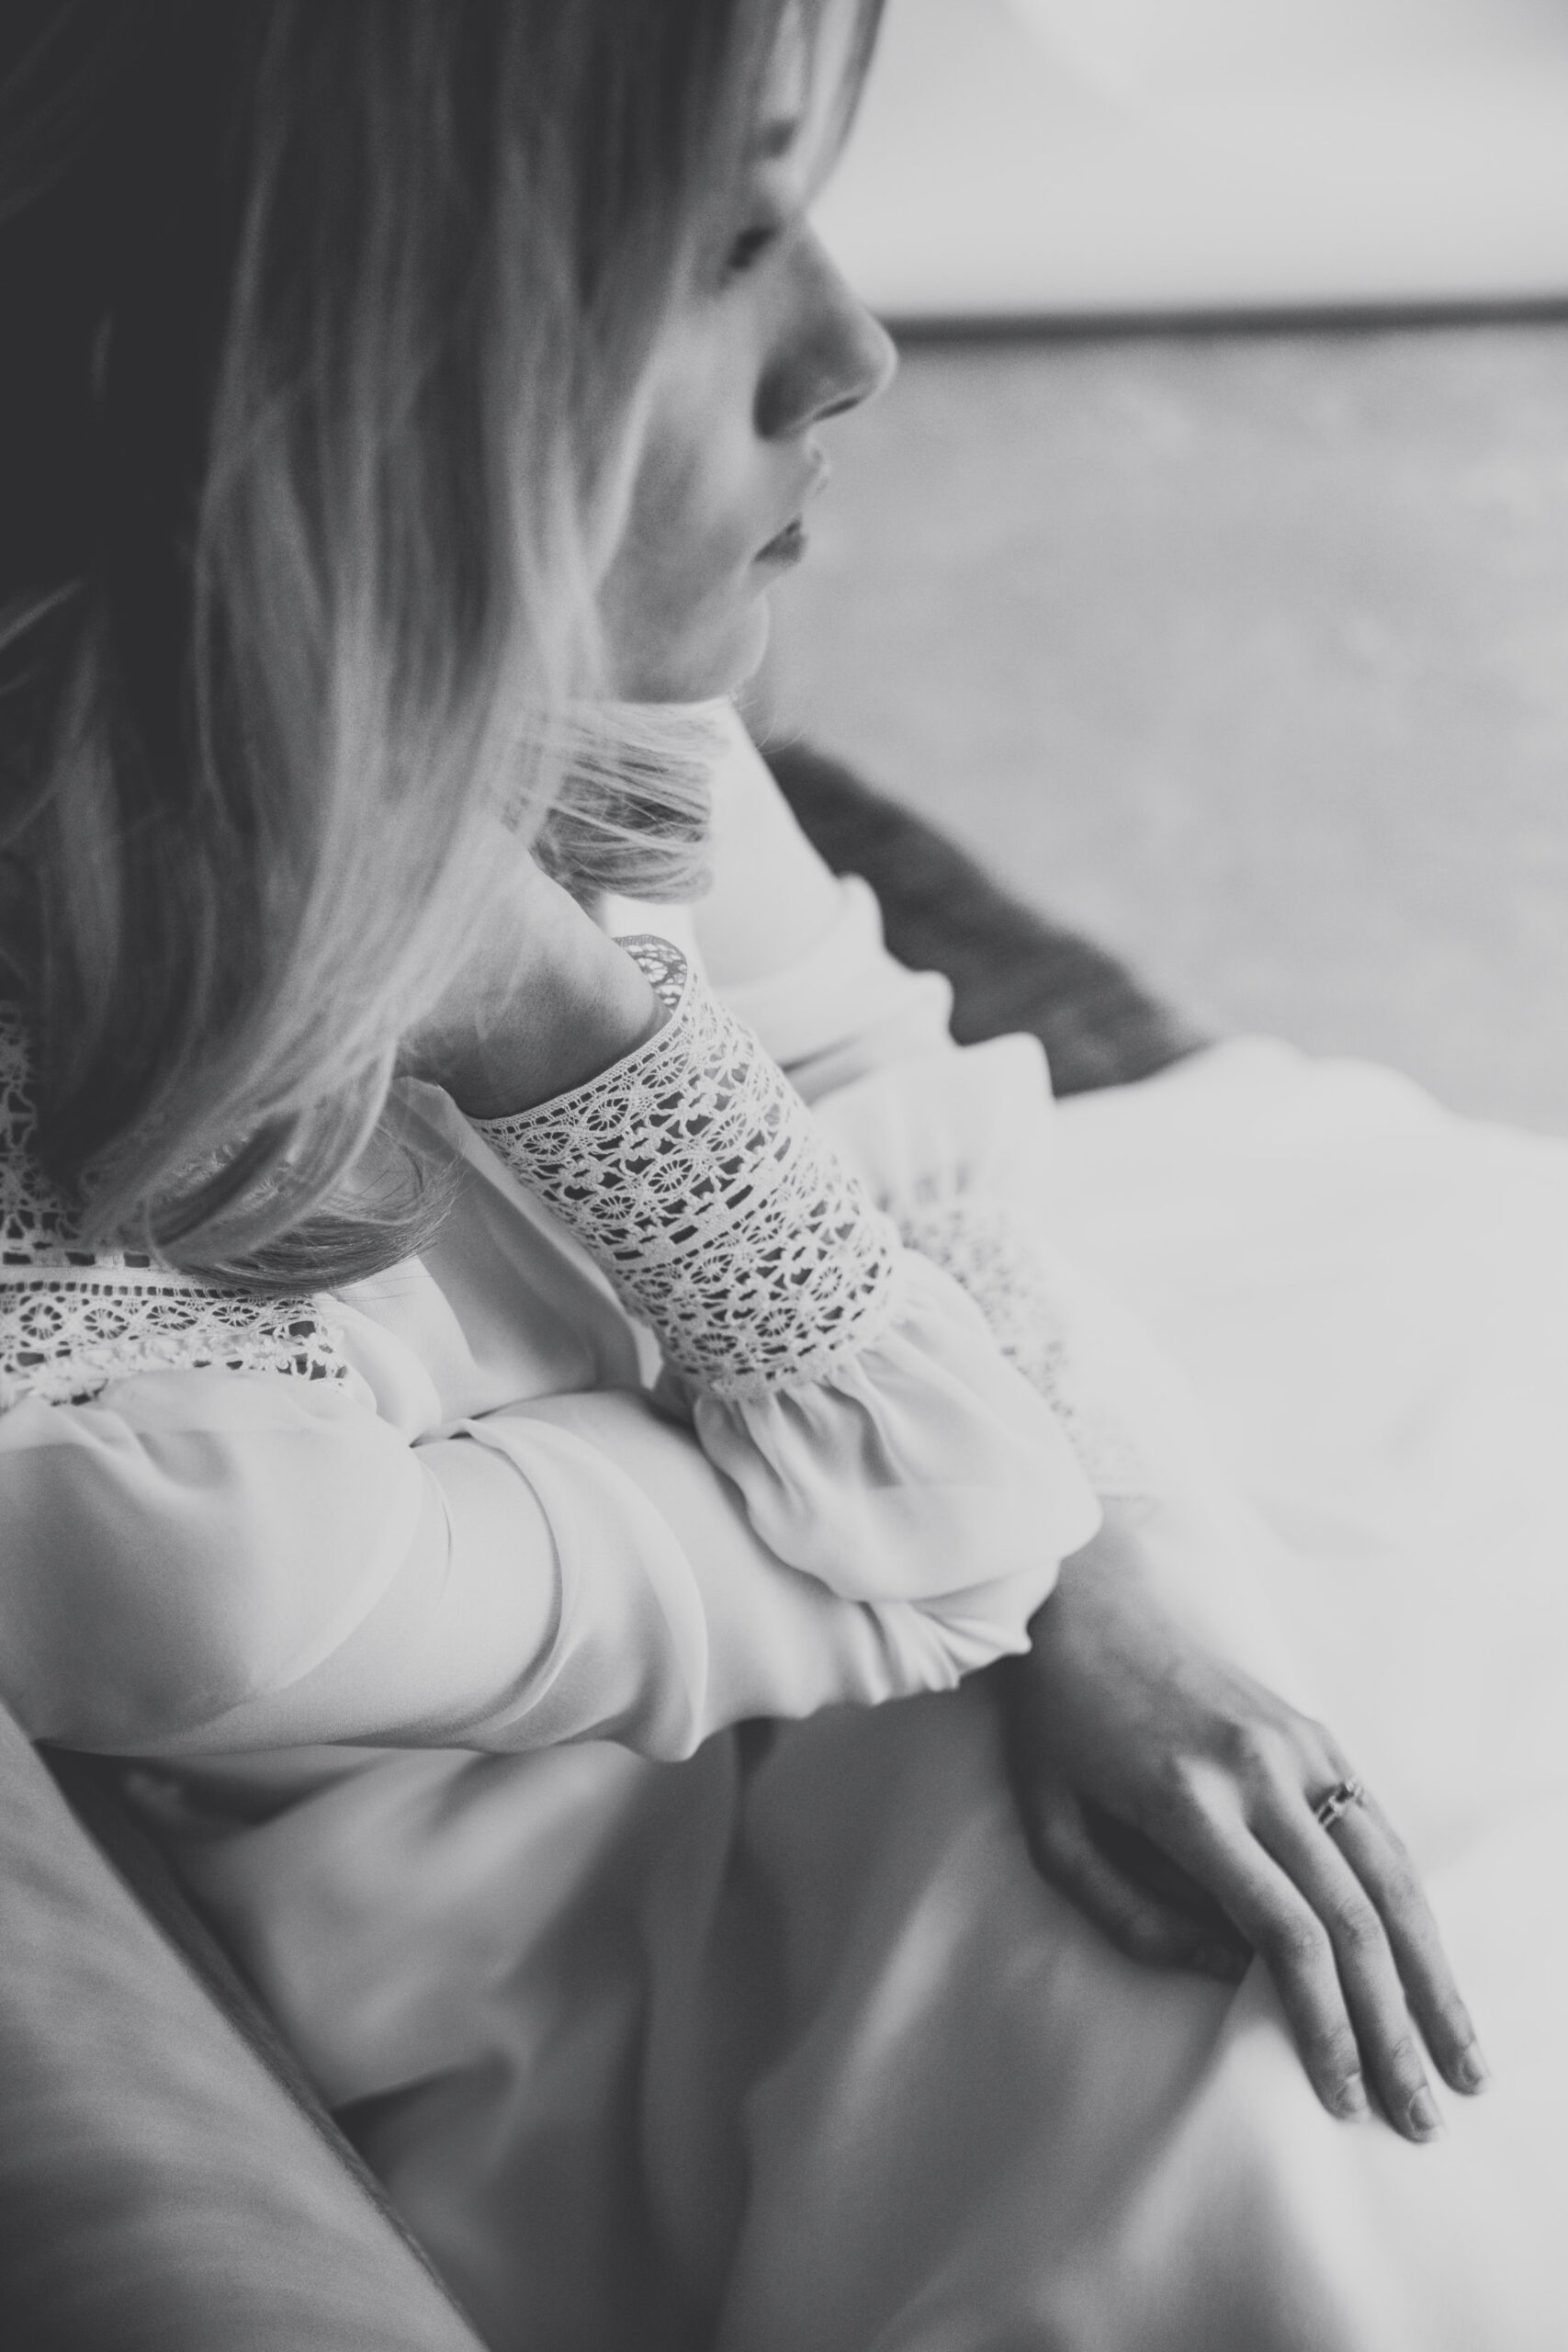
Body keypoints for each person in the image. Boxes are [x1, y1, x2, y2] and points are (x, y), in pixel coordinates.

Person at [1, 4, 1563, 2346]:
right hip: (645, 1871)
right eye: (718, 251)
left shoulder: (442, 672)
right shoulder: (152, 1502)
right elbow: (949, 1509)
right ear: (339, 377)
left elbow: (875, 1085)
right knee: (1306, 2166)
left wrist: (1143, 1577)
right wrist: (551, 1012)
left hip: (960, 1518)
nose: (853, 347)